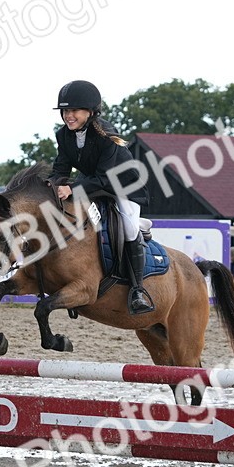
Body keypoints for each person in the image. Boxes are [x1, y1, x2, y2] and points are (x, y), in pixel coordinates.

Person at [49, 79, 154, 315]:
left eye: (74, 110)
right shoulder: (63, 135)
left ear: (91, 112)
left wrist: (73, 189)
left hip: (124, 187)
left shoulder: (106, 136)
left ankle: (138, 290)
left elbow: (105, 177)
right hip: (93, 186)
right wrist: (52, 185)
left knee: (127, 228)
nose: (69, 116)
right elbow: (61, 169)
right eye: (65, 111)